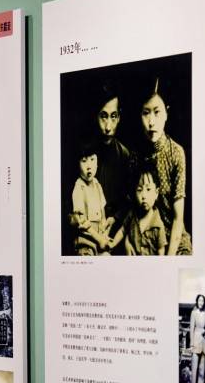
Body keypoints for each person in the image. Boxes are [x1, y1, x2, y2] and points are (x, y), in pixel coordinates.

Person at [139, 79, 192, 255]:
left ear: (166, 114)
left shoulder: (176, 152)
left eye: (157, 112)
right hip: (147, 239)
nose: (151, 122)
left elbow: (178, 218)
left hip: (174, 238)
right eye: (146, 113)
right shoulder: (136, 155)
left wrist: (168, 259)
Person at [92, 85, 134, 234]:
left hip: (115, 229)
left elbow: (128, 198)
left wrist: (115, 218)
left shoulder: (125, 155)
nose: (108, 127)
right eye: (103, 116)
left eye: (113, 116)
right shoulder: (84, 153)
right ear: (95, 116)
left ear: (119, 118)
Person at [109, 163, 167, 255]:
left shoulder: (158, 226)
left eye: (148, 189)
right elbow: (123, 230)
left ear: (156, 193)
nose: (143, 196)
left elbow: (161, 250)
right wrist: (112, 244)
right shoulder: (132, 214)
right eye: (139, 190)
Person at [70, 148, 113, 255]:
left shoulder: (97, 184)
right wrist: (99, 239)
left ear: (97, 164)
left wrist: (104, 233)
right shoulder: (79, 187)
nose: (89, 166)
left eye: (92, 160)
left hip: (99, 236)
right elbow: (82, 221)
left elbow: (102, 212)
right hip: (86, 238)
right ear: (77, 165)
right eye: (84, 161)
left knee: (107, 256)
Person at [188, 295, 205, 383]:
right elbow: (191, 329)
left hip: (203, 343)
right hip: (195, 343)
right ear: (197, 302)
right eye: (199, 300)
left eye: (202, 301)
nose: (201, 302)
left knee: (202, 370)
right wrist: (191, 344)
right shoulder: (193, 313)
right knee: (194, 370)